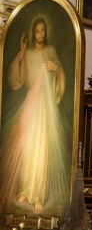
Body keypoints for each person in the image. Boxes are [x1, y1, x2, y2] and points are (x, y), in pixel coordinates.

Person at [0, 17, 68, 213]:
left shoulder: (50, 51)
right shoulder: (28, 53)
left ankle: (38, 194)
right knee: (28, 148)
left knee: (42, 149)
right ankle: (25, 190)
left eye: (42, 30)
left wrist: (57, 69)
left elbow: (60, 79)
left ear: (46, 32)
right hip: (31, 103)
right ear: (33, 33)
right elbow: (16, 80)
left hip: (45, 106)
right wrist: (21, 54)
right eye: (37, 31)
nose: (40, 34)